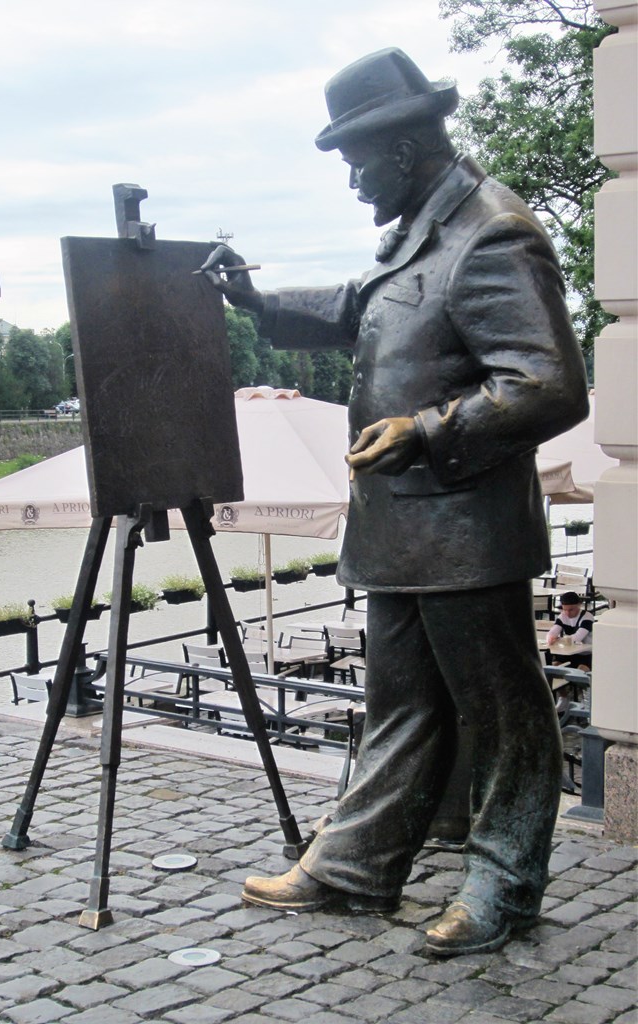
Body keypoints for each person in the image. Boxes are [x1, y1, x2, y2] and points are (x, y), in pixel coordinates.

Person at [200, 47, 589, 957]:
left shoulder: (493, 232)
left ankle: (503, 884)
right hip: (404, 528)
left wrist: (428, 428)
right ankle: (357, 866)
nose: (350, 180)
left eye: (354, 161)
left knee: (501, 712)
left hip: (465, 526)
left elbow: (549, 384)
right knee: (400, 699)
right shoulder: (425, 228)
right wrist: (257, 301)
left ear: (404, 149)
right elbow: (360, 305)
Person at [547, 591, 594, 670]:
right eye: (565, 610)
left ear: (579, 605)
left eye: (571, 610)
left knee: (581, 670)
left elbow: (577, 638)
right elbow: (553, 632)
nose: (567, 613)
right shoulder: (563, 616)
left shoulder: (587, 617)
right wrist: (550, 638)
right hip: (570, 653)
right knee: (553, 667)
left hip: (586, 654)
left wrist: (558, 640)